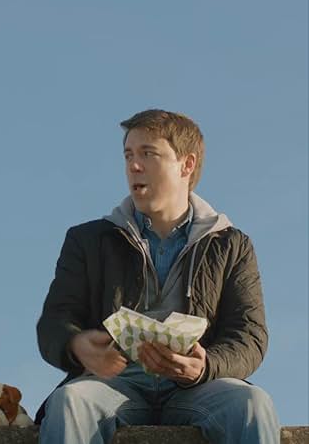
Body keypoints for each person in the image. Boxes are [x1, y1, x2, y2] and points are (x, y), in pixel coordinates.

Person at [36, 109, 280, 443]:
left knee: (253, 403)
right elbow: (54, 321)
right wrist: (76, 344)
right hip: (114, 383)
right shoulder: (87, 240)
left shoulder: (232, 245)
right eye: (128, 155)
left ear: (186, 164)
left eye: (148, 154)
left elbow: (249, 336)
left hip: (199, 386)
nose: (133, 166)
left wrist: (206, 366)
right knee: (70, 402)